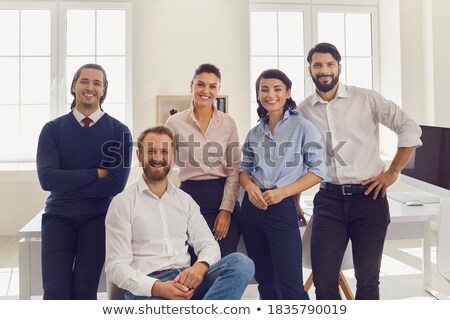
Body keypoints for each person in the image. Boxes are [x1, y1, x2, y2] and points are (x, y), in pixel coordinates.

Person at [298, 42, 422, 300]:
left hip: (369, 198)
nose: (324, 70)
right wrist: (296, 200)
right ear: (309, 69)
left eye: (330, 64)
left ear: (339, 67)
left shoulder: (366, 98)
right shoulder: (304, 110)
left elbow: (409, 128)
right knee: (324, 281)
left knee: (367, 281)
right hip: (328, 200)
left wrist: (393, 172)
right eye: (318, 65)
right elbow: (298, 158)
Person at [105, 126, 254, 300]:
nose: (158, 158)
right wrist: (158, 288)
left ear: (173, 157)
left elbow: (208, 244)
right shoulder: (122, 203)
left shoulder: (185, 200)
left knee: (241, 264)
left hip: (187, 281)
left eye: (164, 152)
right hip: (148, 288)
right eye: (151, 151)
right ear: (139, 156)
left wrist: (200, 267)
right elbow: (116, 265)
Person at [36, 63, 132, 300]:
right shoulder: (52, 130)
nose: (90, 87)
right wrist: (94, 173)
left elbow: (116, 183)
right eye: (84, 81)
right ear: (73, 86)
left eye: (97, 83)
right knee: (55, 291)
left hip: (98, 219)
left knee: (84, 292)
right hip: (58, 217)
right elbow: (47, 179)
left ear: (104, 90)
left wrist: (67, 180)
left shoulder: (120, 132)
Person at [239, 69, 326, 300]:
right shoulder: (254, 132)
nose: (270, 94)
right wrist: (250, 188)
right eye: (264, 89)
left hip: (280, 208)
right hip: (251, 210)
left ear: (287, 93)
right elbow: (243, 171)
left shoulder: (303, 127)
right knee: (265, 282)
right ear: (258, 95)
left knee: (291, 287)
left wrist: (283, 194)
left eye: (277, 89)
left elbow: (318, 172)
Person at [166, 63, 241, 259]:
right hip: (189, 197)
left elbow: (234, 169)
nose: (206, 91)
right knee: (194, 265)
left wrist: (226, 210)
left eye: (212, 86)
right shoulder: (174, 123)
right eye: (201, 84)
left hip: (221, 196)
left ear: (218, 90)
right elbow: (165, 165)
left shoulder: (228, 123)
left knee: (222, 263)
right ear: (191, 86)